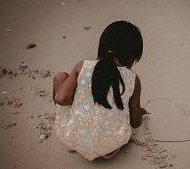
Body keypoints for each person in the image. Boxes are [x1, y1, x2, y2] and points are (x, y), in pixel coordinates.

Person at [53, 21, 147, 161]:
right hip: (109, 144)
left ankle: (74, 142)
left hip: (74, 137)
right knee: (118, 113)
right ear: (132, 57)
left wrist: (80, 100)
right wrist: (138, 111)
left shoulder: (83, 66)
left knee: (60, 77)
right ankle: (111, 151)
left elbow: (61, 99)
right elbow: (135, 123)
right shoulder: (133, 80)